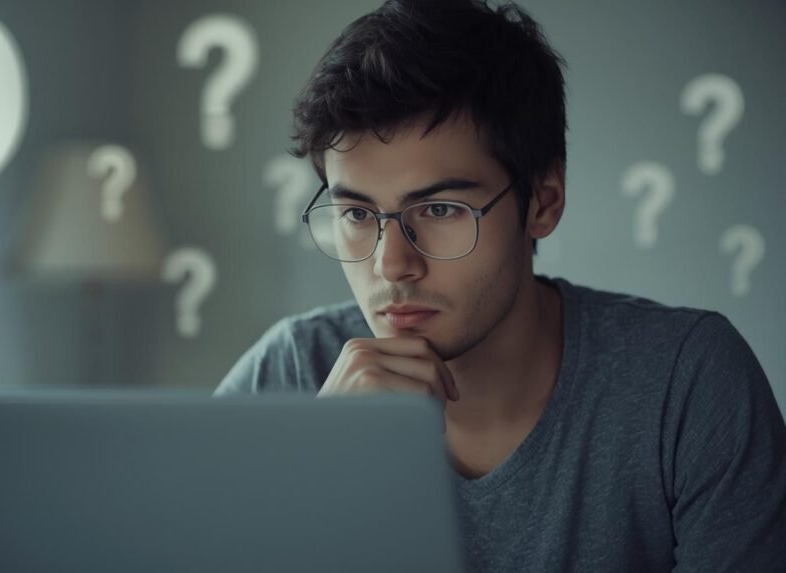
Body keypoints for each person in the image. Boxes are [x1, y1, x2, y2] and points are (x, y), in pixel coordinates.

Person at [212, 0, 786, 570]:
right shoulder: (286, 376)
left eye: (439, 209)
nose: (392, 265)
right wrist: (316, 485)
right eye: (358, 215)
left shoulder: (687, 384)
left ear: (543, 202)